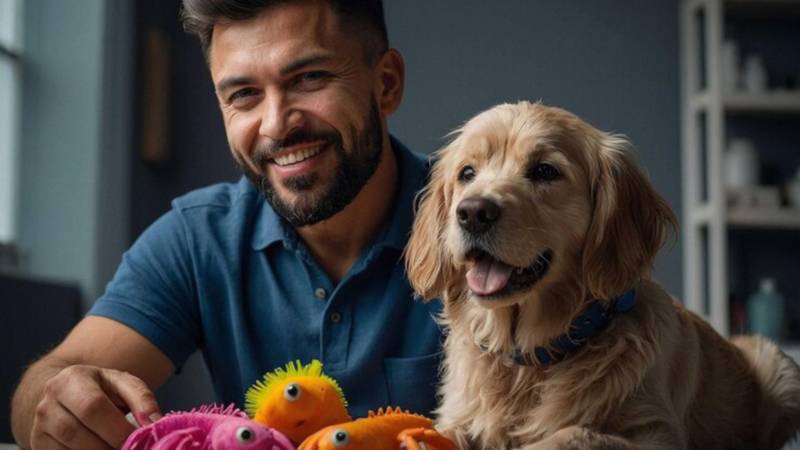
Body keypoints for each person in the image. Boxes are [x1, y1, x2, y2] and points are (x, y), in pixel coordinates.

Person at [10, 1, 444, 449]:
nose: (276, 125)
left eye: (310, 78)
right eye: (244, 95)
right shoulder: (199, 237)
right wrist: (60, 405)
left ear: (386, 84)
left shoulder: (482, 220)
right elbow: (52, 381)